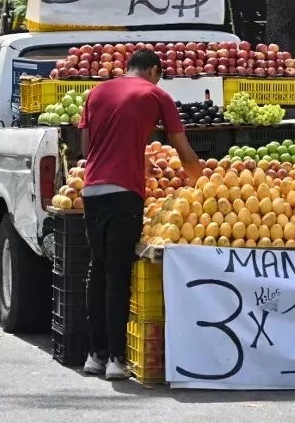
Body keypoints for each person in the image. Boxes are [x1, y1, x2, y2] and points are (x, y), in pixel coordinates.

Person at [78, 49, 202, 381]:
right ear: (152, 71)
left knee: (97, 268)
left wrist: (132, 158)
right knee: (118, 273)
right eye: (159, 75)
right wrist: (201, 185)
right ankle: (118, 359)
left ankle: (94, 355)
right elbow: (182, 148)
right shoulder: (156, 94)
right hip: (124, 194)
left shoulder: (96, 92)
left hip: (91, 190)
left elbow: (86, 147)